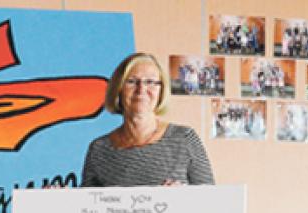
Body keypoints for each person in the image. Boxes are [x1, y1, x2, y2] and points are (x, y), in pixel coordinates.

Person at [80, 53, 215, 187]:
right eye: (132, 81)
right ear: (118, 89)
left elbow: (211, 201)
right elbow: (86, 205)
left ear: (161, 90)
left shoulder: (185, 139)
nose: (141, 89)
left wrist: (184, 198)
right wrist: (63, 198)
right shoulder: (99, 150)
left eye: (150, 82)